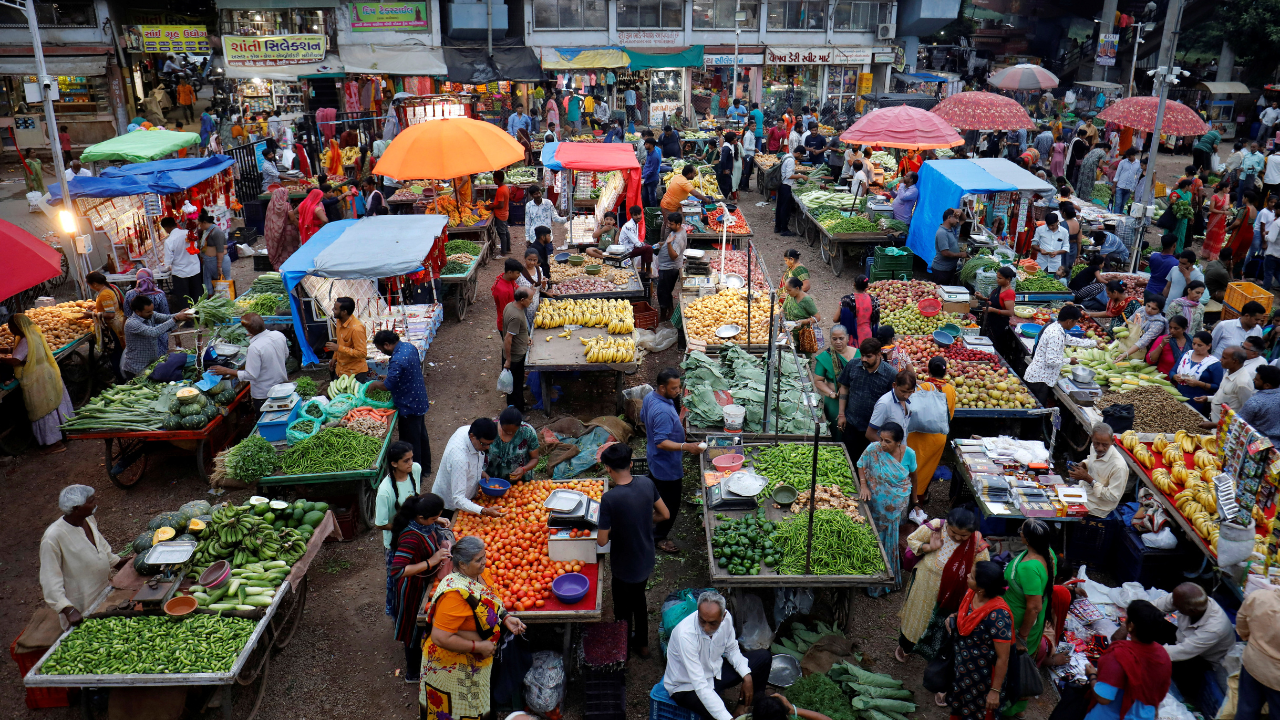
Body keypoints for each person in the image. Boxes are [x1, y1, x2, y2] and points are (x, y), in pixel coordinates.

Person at [419, 535, 527, 720]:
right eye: (479, 560)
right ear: (462, 565)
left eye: (484, 556)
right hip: (452, 664)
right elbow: (440, 637)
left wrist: (505, 617)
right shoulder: (453, 595)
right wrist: (478, 647)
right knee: (458, 710)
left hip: (477, 661)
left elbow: (491, 600)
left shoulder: (480, 574)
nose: (484, 561)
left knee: (478, 704)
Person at [897, 507, 988, 673]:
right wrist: (929, 547)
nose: (958, 538)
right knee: (916, 616)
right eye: (953, 533)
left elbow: (982, 569)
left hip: (954, 592)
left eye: (963, 536)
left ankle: (934, 658)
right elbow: (912, 540)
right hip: (925, 584)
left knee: (943, 626)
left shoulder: (977, 543)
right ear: (948, 526)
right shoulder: (936, 526)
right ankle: (906, 646)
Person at [596, 442, 667, 657]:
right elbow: (665, 514)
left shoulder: (610, 499)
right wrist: (644, 521)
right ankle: (643, 645)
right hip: (644, 559)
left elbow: (601, 541)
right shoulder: (646, 483)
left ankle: (622, 648)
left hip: (623, 565)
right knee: (639, 600)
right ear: (630, 463)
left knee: (622, 608)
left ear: (608, 468)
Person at [663, 590, 771, 720]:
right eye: (702, 621)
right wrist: (727, 718)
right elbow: (700, 685)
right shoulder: (685, 635)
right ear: (698, 613)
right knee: (717, 714)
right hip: (687, 687)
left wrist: (747, 676)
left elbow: (732, 650)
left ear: (723, 616)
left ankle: (745, 706)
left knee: (764, 657)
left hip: (714, 673)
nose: (706, 628)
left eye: (713, 623)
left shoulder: (727, 620)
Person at [388, 492, 449, 684]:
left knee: (421, 626)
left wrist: (438, 522)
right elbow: (397, 570)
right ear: (421, 518)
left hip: (423, 583)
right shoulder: (411, 537)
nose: (435, 520)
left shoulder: (423, 523)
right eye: (433, 517)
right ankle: (412, 673)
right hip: (411, 589)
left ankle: (424, 657)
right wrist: (431, 561)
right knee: (412, 629)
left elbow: (432, 524)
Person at [641, 368, 704, 554]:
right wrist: (687, 446)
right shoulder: (662, 412)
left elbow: (644, 419)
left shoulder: (649, 398)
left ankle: (645, 517)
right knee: (670, 503)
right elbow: (661, 442)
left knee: (655, 490)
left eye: (679, 387)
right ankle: (658, 536)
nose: (678, 391)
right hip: (666, 464)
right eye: (674, 388)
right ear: (662, 387)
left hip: (653, 457)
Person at [1001, 519, 1056, 719]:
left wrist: (1021, 636)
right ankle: (1020, 706)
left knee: (1013, 663)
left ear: (1027, 539)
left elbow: (1033, 607)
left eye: (1021, 530)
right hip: (1035, 622)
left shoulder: (1028, 568)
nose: (1020, 532)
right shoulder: (1048, 555)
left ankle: (1009, 706)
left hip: (1021, 625)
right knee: (1025, 661)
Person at [948, 561, 1015, 720]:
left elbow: (1003, 657)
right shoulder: (971, 594)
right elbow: (964, 616)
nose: (967, 576)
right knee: (961, 705)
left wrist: (995, 691)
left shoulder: (998, 616)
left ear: (982, 588)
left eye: (971, 576)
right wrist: (953, 618)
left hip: (983, 680)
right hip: (963, 670)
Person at [40, 485, 114, 629]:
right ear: (76, 508)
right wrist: (68, 609)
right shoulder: (53, 537)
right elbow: (49, 580)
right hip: (81, 606)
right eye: (91, 501)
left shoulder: (88, 519)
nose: (95, 502)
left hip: (104, 593)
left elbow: (100, 544)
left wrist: (116, 561)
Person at [857, 420, 915, 595]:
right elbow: (861, 464)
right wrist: (864, 486)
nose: (882, 444)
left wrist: (916, 500)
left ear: (899, 442)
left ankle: (884, 580)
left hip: (895, 505)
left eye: (887, 441)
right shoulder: (873, 449)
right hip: (875, 502)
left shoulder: (909, 454)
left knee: (889, 538)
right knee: (873, 535)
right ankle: (867, 574)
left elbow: (913, 475)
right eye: (881, 439)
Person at [0, 313, 73, 452]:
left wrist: (2, 359)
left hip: (38, 378)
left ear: (19, 326)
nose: (10, 330)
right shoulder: (34, 333)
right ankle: (64, 434)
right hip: (47, 373)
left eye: (11, 327)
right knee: (54, 404)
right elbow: (17, 352)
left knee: (43, 408)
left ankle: (55, 444)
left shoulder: (25, 340)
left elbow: (15, 360)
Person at [366, 330, 432, 472]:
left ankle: (415, 473)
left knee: (411, 441)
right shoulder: (409, 347)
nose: (382, 352)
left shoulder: (397, 359)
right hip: (419, 399)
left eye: (381, 349)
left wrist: (375, 384)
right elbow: (405, 372)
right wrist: (389, 376)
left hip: (408, 404)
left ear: (387, 344)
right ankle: (426, 468)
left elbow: (387, 386)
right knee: (421, 436)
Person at [1025, 305, 1102, 406]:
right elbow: (1051, 361)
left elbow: (1069, 339)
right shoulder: (1055, 334)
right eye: (1075, 322)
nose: (1075, 324)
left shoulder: (1056, 327)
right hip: (1039, 380)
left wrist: (1093, 343)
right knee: (1037, 408)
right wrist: (1069, 360)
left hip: (1039, 377)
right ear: (1069, 321)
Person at [208, 313, 287, 409]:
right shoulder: (278, 335)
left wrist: (227, 371)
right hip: (282, 387)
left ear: (249, 330)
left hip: (264, 394)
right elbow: (285, 355)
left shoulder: (255, 348)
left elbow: (251, 375)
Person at [837, 338, 897, 461]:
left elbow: (893, 402)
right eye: (862, 355)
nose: (864, 359)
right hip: (851, 424)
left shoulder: (890, 374)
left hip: (874, 430)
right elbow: (844, 387)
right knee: (848, 460)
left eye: (868, 356)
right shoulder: (853, 365)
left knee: (869, 463)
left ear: (879, 354)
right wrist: (842, 414)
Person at [907, 357, 957, 502]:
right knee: (927, 468)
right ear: (946, 372)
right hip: (938, 436)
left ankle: (908, 495)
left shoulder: (921, 388)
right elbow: (950, 415)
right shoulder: (951, 390)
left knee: (913, 465)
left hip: (917, 434)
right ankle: (920, 496)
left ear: (928, 370)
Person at [431, 419, 503, 520]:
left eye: (490, 444)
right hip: (449, 506)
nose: (487, 448)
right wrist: (484, 511)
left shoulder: (466, 431)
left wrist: (479, 471)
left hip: (467, 499)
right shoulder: (459, 458)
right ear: (472, 436)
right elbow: (458, 499)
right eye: (484, 444)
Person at [120, 295, 191, 380]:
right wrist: (176, 319)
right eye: (148, 311)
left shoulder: (150, 315)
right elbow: (154, 332)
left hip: (150, 364)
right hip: (136, 368)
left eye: (152, 310)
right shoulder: (132, 323)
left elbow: (167, 317)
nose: (152, 313)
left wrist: (181, 314)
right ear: (138, 312)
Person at [1067, 422, 1127, 518]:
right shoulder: (1093, 447)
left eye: (1105, 445)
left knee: (1064, 508)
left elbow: (1113, 496)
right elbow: (1091, 459)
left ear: (1112, 441)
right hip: (1084, 491)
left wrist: (1089, 479)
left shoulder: (1118, 466)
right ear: (1091, 438)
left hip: (1098, 506)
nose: (1099, 448)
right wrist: (1083, 464)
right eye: (1096, 443)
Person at [813, 325, 858, 442]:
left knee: (854, 435)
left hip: (856, 402)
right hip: (834, 402)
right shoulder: (826, 357)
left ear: (847, 338)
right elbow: (818, 381)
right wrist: (831, 393)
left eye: (841, 338)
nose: (838, 342)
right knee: (836, 432)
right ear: (830, 339)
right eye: (834, 339)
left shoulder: (858, 355)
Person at [1170, 331, 1222, 416]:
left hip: (1198, 401)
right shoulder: (1186, 355)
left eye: (1199, 345)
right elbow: (1172, 371)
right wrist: (1175, 377)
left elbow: (1217, 387)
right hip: (1179, 396)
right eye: (1194, 344)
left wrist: (1199, 384)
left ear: (1208, 346)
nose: (1195, 347)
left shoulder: (1214, 363)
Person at [122, 269, 170, 356]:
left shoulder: (130, 294)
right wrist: (176, 336)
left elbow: (127, 315)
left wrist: (124, 334)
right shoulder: (159, 295)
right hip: (159, 333)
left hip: (138, 333)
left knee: (143, 358)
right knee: (160, 360)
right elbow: (167, 316)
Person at [160, 217, 202, 317]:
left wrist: (165, 267)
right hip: (194, 269)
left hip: (180, 273)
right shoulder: (188, 233)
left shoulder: (169, 241)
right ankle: (200, 316)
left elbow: (168, 261)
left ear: (166, 228)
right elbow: (195, 246)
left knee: (184, 298)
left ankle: (188, 320)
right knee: (197, 294)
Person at [485, 406, 540, 483]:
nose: (509, 433)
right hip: (491, 482)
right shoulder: (490, 429)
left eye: (513, 431)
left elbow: (535, 458)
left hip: (520, 483)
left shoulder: (528, 432)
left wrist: (524, 469)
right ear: (500, 423)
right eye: (506, 430)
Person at [324, 297, 370, 381]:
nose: (332, 310)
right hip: (340, 370)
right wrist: (334, 358)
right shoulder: (339, 321)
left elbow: (362, 353)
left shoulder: (357, 329)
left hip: (355, 374)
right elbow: (340, 342)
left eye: (335, 308)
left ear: (344, 312)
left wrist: (338, 348)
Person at [655, 213, 687, 321]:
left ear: (678, 224)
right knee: (667, 291)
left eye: (671, 224)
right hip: (666, 267)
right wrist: (663, 244)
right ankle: (670, 311)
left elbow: (673, 256)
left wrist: (668, 244)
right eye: (668, 222)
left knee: (662, 292)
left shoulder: (678, 239)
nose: (668, 225)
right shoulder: (678, 231)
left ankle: (664, 315)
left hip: (670, 268)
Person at [1239, 365, 1280, 446]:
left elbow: (1240, 424)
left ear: (1267, 385)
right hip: (1277, 444)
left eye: (1257, 380)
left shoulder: (1255, 402)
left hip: (1259, 444)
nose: (1254, 380)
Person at [263, 187, 301, 270]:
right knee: (290, 249)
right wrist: (300, 227)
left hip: (276, 232)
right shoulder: (286, 206)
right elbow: (293, 219)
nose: (287, 197)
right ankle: (290, 267)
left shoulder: (271, 205)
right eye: (286, 195)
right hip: (288, 231)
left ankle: (280, 268)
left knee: (281, 251)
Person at [782, 277, 820, 356]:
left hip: (803, 334)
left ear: (797, 288)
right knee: (791, 355)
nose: (787, 293)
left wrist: (803, 321)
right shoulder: (790, 296)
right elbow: (782, 309)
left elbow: (817, 317)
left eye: (789, 290)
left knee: (804, 357)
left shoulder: (807, 300)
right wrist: (772, 318)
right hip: (791, 332)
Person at [836, 275, 878, 347]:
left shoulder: (846, 300)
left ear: (854, 284)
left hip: (851, 338)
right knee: (865, 355)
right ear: (867, 286)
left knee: (852, 356)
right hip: (867, 335)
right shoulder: (873, 300)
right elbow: (875, 320)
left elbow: (835, 319)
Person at [196, 211, 231, 297]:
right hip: (208, 262)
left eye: (200, 224)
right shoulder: (206, 231)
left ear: (204, 222)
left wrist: (219, 266)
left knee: (224, 282)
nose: (199, 226)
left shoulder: (216, 232)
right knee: (208, 284)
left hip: (218, 261)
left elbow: (220, 250)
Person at [776, 147, 806, 237]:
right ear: (798, 153)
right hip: (786, 186)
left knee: (779, 207)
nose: (801, 157)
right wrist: (801, 176)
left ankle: (777, 227)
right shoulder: (791, 161)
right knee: (785, 208)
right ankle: (784, 229)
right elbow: (789, 175)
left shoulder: (786, 156)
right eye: (801, 155)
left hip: (781, 184)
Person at [932, 209, 968, 285]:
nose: (957, 221)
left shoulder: (951, 229)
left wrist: (960, 212)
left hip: (949, 268)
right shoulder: (942, 233)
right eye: (956, 218)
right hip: (941, 270)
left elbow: (964, 219)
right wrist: (960, 255)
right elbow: (945, 253)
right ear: (949, 217)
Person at [1033, 212, 1070, 277]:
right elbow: (1034, 244)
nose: (1050, 227)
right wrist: (1040, 249)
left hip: (1055, 265)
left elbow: (1066, 247)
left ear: (1057, 222)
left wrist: (1057, 252)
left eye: (1052, 225)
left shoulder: (1064, 232)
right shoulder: (1040, 229)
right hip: (1041, 263)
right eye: (1048, 225)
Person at [1145, 234, 1180, 301]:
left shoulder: (1153, 256)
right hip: (1161, 295)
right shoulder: (1175, 263)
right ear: (1174, 246)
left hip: (1148, 290)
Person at [491, 258, 522, 332]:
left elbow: (516, 287)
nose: (519, 275)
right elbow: (504, 312)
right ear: (510, 272)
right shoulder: (502, 291)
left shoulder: (508, 278)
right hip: (506, 325)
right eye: (517, 273)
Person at [1203, 181, 1231, 260]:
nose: (1229, 190)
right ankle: (1207, 254)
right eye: (1228, 188)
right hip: (1214, 219)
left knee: (1219, 237)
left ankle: (1214, 255)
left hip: (1222, 220)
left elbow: (1228, 206)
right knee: (1212, 235)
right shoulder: (1214, 197)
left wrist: (1227, 208)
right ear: (1224, 188)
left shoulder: (1227, 197)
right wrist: (1223, 212)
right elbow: (1211, 209)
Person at [486, 170, 512, 257]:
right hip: (505, 213)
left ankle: (503, 252)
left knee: (502, 233)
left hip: (501, 214)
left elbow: (500, 205)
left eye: (494, 179)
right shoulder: (505, 187)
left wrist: (491, 206)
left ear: (496, 179)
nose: (493, 180)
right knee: (505, 231)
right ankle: (507, 248)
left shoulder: (500, 190)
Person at [1112, 148, 1142, 212]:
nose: (1128, 157)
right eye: (1127, 156)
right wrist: (1114, 186)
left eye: (1130, 156)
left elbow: (1138, 177)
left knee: (1123, 204)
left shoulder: (1138, 164)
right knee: (1118, 203)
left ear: (1133, 155)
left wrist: (1134, 188)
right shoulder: (1122, 162)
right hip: (1120, 186)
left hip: (1129, 188)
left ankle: (1119, 217)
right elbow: (1117, 175)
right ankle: (1116, 217)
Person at [716, 131, 743, 200]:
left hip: (728, 170)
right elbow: (723, 160)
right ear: (731, 139)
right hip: (725, 170)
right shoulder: (726, 148)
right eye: (734, 138)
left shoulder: (729, 146)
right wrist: (724, 169)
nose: (736, 139)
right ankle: (722, 200)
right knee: (724, 186)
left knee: (728, 185)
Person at [642, 138, 662, 208]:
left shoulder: (654, 156)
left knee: (652, 197)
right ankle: (647, 210)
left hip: (652, 180)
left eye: (646, 144)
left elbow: (653, 170)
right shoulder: (649, 153)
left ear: (651, 145)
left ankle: (653, 211)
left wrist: (643, 176)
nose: (645, 145)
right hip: (647, 179)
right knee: (645, 197)